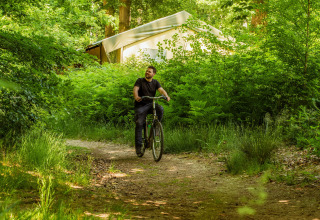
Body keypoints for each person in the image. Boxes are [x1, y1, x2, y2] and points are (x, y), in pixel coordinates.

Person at [133, 66, 170, 157]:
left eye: (149, 72)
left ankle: (156, 126)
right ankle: (138, 146)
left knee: (160, 109)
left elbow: (161, 90)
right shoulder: (140, 81)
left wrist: (166, 96)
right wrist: (136, 96)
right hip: (141, 105)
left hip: (150, 104)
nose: (147, 72)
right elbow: (135, 89)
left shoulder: (155, 82)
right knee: (139, 123)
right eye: (146, 71)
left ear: (153, 74)